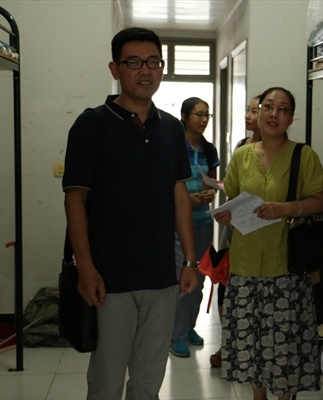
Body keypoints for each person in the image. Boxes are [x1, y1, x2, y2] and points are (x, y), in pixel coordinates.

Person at [62, 27, 199, 399]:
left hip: (161, 277)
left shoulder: (172, 128)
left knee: (148, 381)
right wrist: (86, 267)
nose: (145, 70)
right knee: (106, 382)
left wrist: (190, 261)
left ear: (162, 68)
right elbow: (75, 199)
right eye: (134, 62)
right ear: (115, 68)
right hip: (110, 279)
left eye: (153, 62)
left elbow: (179, 193)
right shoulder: (92, 124)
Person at [213, 87, 323, 400]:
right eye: (268, 107)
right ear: (258, 112)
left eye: (283, 109)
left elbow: (319, 201)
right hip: (245, 265)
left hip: (285, 267)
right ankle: (258, 397)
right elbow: (234, 201)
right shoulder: (241, 156)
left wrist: (284, 208)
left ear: (291, 118)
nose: (274, 114)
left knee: (284, 346)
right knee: (250, 345)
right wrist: (226, 215)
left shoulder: (303, 155)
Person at [210, 95, 262, 368]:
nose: (248, 115)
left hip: (260, 231)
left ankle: (249, 345)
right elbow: (233, 187)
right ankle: (228, 342)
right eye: (248, 110)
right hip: (234, 228)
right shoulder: (242, 146)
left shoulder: (281, 153)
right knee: (224, 284)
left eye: (254, 111)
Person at [170, 97, 220, 358]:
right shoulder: (174, 146)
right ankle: (175, 334)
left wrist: (210, 193)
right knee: (183, 278)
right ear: (184, 117)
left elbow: (212, 182)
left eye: (206, 115)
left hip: (203, 222)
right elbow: (166, 185)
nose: (203, 119)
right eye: (198, 114)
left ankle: (189, 327)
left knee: (199, 279)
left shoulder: (210, 149)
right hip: (180, 223)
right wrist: (187, 200)